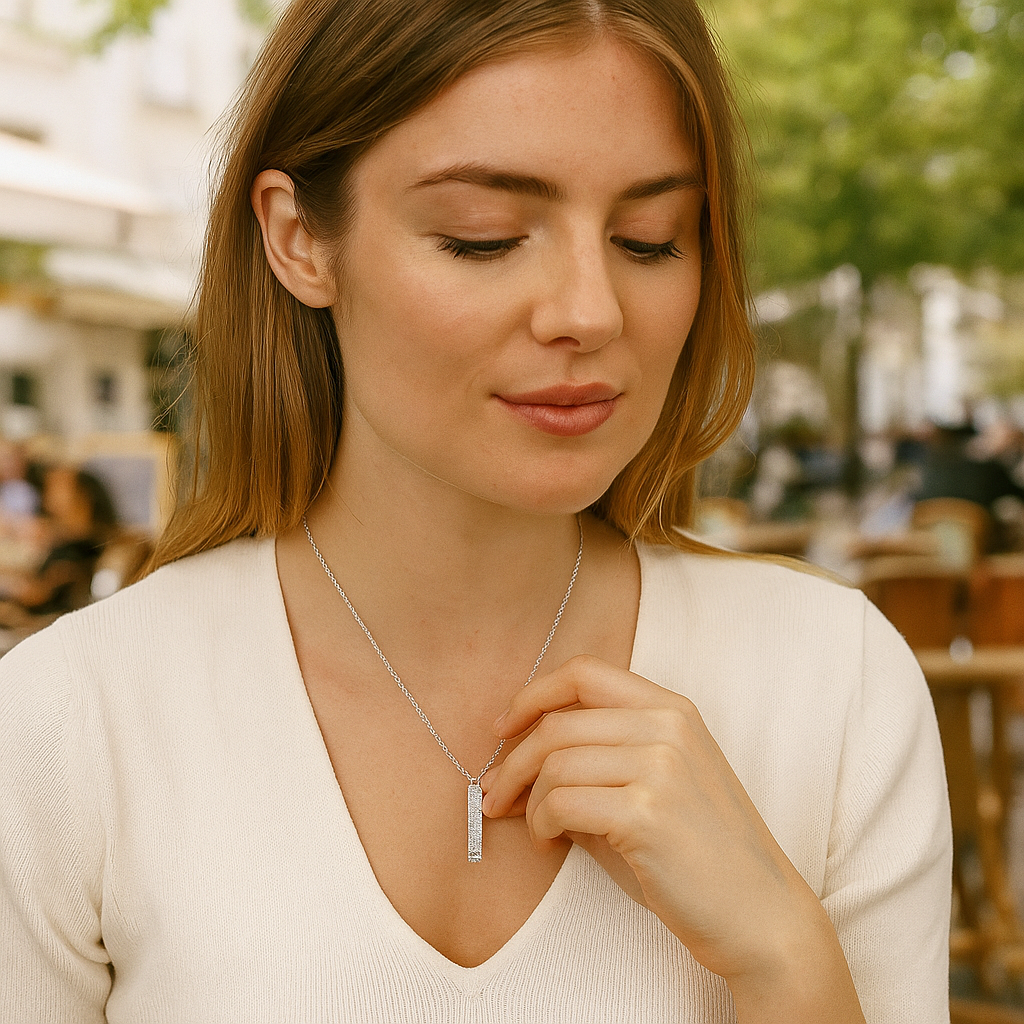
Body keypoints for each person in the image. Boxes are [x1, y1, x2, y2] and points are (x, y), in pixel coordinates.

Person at [0, 2, 951, 1022]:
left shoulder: (837, 685)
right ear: (298, 239)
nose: (589, 310)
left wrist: (783, 954)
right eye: (482, 239)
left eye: (648, 239)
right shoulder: (71, 719)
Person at [0, 465, 116, 623]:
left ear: (82, 496)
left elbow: (38, 594)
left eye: (58, 486)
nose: (48, 489)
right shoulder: (58, 539)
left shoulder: (84, 547)